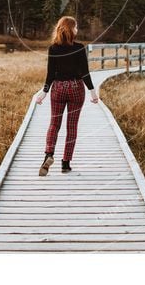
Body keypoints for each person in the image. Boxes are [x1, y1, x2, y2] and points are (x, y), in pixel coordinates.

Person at [35, 16, 98, 176]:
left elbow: (50, 74)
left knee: (54, 124)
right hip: (76, 89)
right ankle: (65, 164)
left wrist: (44, 92)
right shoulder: (79, 48)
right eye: (76, 27)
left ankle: (48, 155)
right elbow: (85, 73)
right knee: (71, 127)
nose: (77, 29)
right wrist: (93, 91)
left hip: (58, 89)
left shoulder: (53, 48)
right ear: (71, 29)